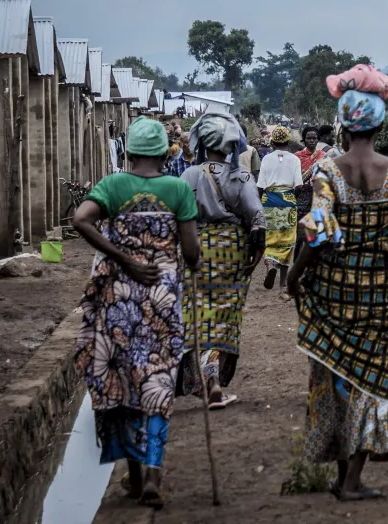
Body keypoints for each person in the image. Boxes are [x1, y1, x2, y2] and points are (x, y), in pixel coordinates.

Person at [288, 67, 388, 501]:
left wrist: (295, 272)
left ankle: (343, 475)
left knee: (338, 381)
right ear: (380, 124)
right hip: (383, 291)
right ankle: (352, 480)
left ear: (343, 124)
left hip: (334, 293)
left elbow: (318, 232)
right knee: (373, 381)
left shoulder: (327, 170)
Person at [71, 117, 201, 509]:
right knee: (157, 381)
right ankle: (154, 477)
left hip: (118, 300)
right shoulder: (178, 189)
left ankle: (133, 474)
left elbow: (81, 220)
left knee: (124, 381)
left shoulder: (113, 185)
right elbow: (192, 253)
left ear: (128, 152)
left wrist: (122, 257)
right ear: (165, 153)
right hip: (161, 299)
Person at [178, 113, 266, 410]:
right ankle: (215, 380)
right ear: (231, 144)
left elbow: (180, 216)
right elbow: (256, 218)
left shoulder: (189, 176)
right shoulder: (241, 177)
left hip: (197, 248)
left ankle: (206, 378)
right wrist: (257, 253)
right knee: (225, 314)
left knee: (199, 313)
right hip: (232, 250)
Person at [258, 126, 302, 290]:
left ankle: (270, 265)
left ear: (273, 142)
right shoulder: (295, 159)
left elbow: (261, 186)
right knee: (288, 239)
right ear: (288, 141)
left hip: (269, 200)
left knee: (270, 237)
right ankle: (283, 282)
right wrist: (290, 198)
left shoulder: (267, 159)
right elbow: (298, 186)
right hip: (288, 201)